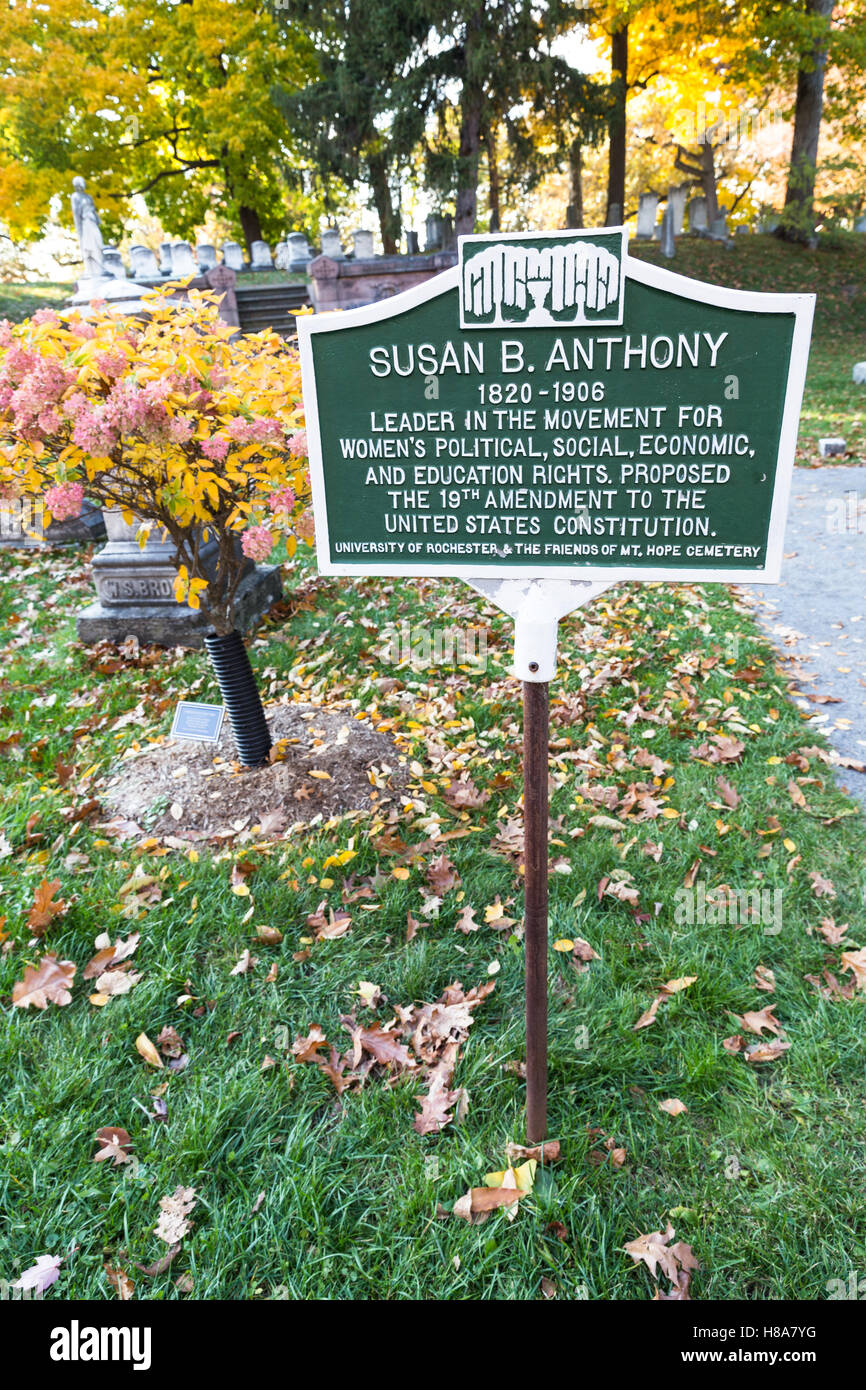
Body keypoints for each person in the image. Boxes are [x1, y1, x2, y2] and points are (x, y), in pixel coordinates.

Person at [70, 176, 104, 279]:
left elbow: (93, 210)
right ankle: (91, 268)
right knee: (88, 245)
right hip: (85, 224)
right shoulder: (75, 196)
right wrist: (79, 230)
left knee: (98, 242)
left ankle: (101, 266)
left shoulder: (88, 197)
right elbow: (76, 214)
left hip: (93, 221)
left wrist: (98, 220)